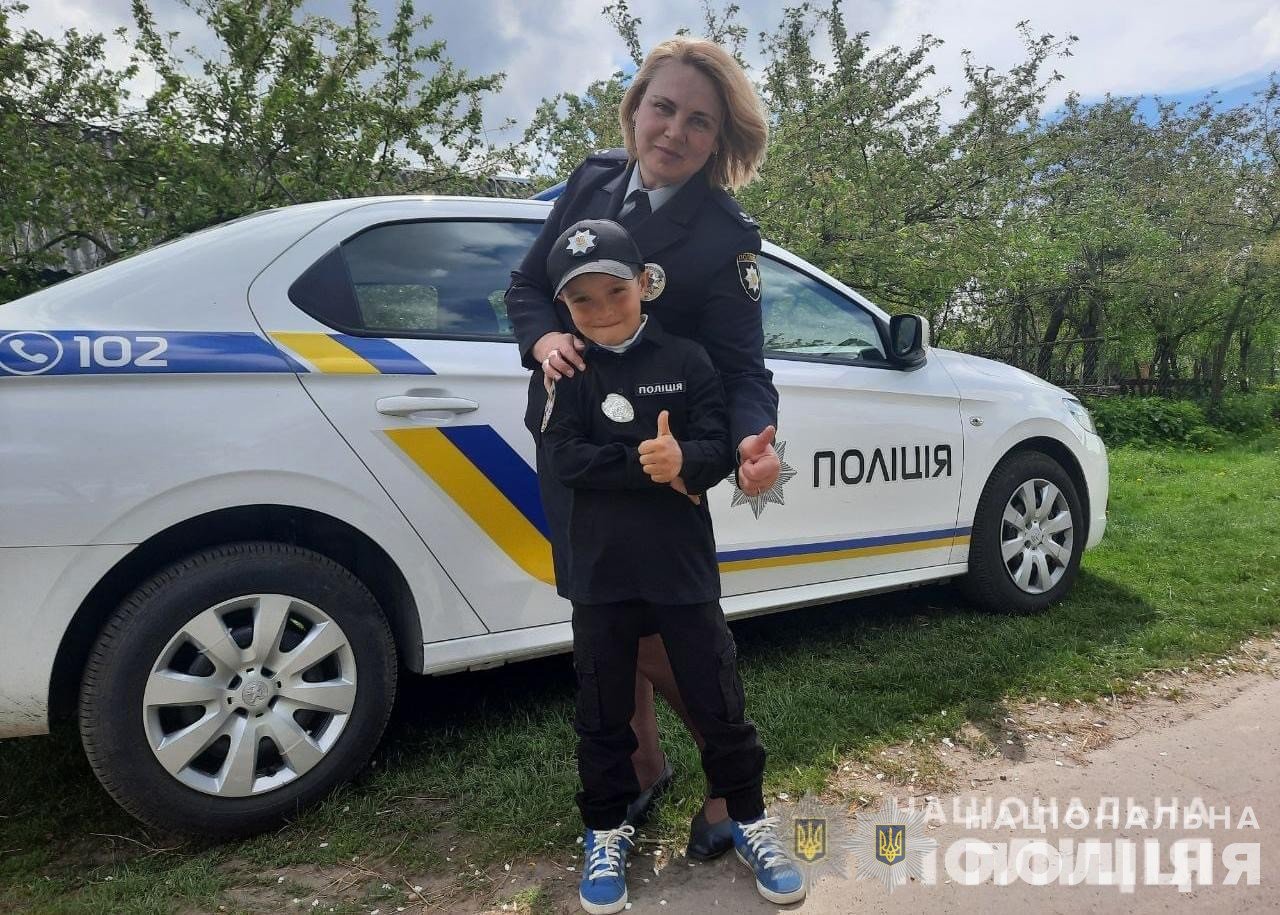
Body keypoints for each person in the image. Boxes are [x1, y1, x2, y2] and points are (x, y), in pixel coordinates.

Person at [506, 36, 781, 860]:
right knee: (600, 611)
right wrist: (544, 339)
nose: (674, 131)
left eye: (700, 122)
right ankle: (640, 768)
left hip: (661, 464)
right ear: (635, 108)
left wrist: (749, 441)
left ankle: (730, 789)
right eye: (663, 107)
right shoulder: (593, 179)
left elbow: (742, 370)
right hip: (573, 448)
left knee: (666, 630)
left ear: (720, 141)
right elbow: (527, 286)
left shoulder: (726, 236)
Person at [540, 217, 806, 914]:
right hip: (601, 571)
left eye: (615, 291)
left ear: (645, 284)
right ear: (563, 305)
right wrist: (645, 464)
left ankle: (747, 817)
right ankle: (605, 829)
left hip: (680, 568)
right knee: (602, 710)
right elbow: (562, 456)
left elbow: (717, 443)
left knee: (718, 699)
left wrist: (686, 458)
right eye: (582, 299)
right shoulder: (565, 369)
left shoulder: (687, 359)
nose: (602, 310)